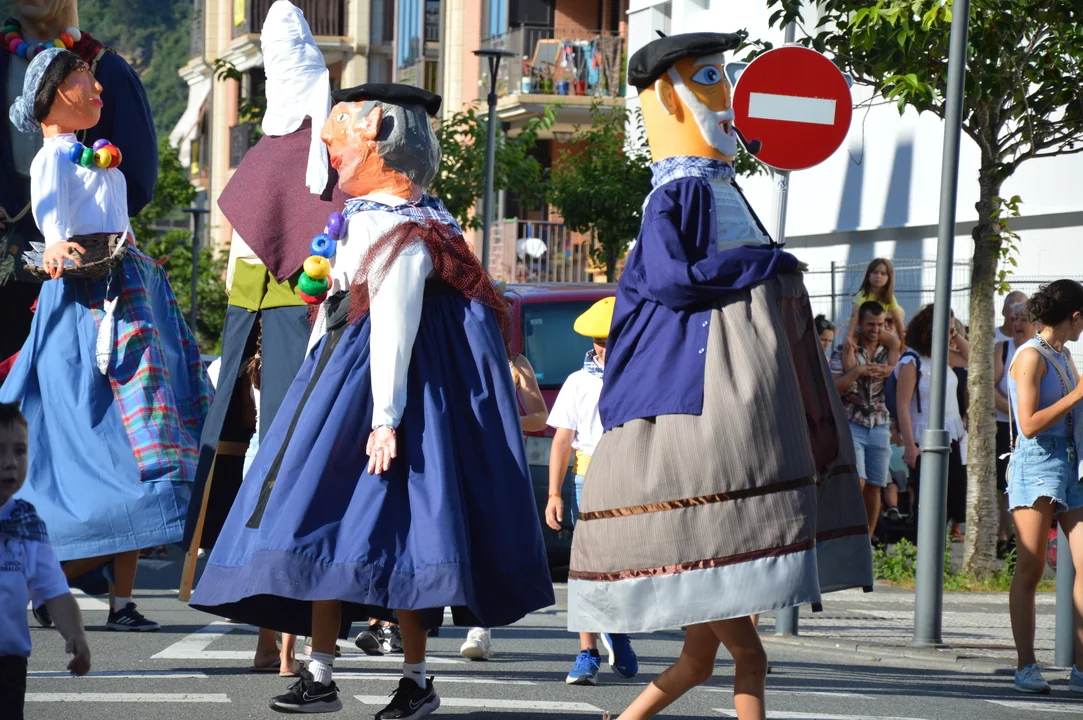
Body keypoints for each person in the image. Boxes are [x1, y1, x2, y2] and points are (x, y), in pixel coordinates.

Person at [189, 82, 554, 718]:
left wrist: (384, 418)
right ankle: (340, 675)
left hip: (375, 393)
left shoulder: (394, 223)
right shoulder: (426, 218)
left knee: (360, 527)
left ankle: (392, 679)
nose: (328, 145)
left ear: (380, 137)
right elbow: (345, 303)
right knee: (350, 530)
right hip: (379, 388)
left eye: (341, 133)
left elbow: (393, 321)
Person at [567, 33, 872, 720]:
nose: (727, 95)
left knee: (700, 660)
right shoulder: (677, 193)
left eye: (725, 76)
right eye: (709, 78)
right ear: (668, 97)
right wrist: (763, 264)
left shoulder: (715, 189)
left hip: (723, 426)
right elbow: (670, 279)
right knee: (745, 657)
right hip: (696, 413)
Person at [0, 48, 211, 632]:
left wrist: (136, 260)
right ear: (52, 98)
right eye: (82, 80)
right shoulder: (55, 156)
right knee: (94, 436)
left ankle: (120, 600)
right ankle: (50, 584)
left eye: (93, 79)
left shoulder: (94, 157)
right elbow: (51, 222)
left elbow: (118, 226)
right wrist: (55, 244)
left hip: (127, 292)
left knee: (131, 443)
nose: (96, 89)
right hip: (85, 306)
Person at [1, 0, 158, 363]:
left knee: (80, 359)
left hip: (86, 263)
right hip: (21, 258)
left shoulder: (110, 69)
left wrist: (110, 234)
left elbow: (137, 176)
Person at [542, 297, 638, 685]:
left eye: (612, 339)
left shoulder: (643, 374)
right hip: (590, 477)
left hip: (634, 477)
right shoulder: (578, 382)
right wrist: (554, 494)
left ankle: (617, 630)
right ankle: (587, 651)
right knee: (586, 566)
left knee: (624, 565)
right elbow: (562, 440)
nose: (604, 348)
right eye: (599, 341)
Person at [1005, 280, 1083, 695]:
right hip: (1036, 463)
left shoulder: (1063, 354)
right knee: (1031, 568)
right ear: (1074, 317)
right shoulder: (1030, 356)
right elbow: (1029, 424)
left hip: (1072, 461)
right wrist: (1078, 394)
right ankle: (1025, 665)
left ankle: (1081, 668)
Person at [460, 324, 548, 661]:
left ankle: (480, 627)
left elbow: (539, 417)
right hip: (460, 454)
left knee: (491, 538)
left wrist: (508, 421)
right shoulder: (453, 350)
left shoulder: (516, 362)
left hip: (502, 460)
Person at [0, 402, 91, 720]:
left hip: (8, 663)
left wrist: (75, 633)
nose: (10, 463)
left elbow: (54, 590)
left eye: (20, 451)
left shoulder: (27, 524)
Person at [893, 305, 968, 538]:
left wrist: (954, 333)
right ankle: (923, 545)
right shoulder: (911, 361)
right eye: (944, 329)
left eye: (951, 330)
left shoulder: (942, 356)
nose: (949, 335)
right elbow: (902, 406)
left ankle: (939, 546)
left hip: (950, 436)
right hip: (922, 439)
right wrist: (909, 446)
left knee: (953, 494)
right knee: (928, 497)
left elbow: (971, 357)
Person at [830, 302, 901, 536]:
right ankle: (847, 534)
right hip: (852, 422)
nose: (876, 329)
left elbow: (904, 371)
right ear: (860, 323)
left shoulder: (890, 349)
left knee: (875, 485)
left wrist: (891, 370)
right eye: (871, 324)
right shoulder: (844, 350)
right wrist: (857, 372)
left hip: (880, 423)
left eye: (880, 324)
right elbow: (834, 388)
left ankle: (867, 540)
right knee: (857, 481)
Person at [994, 301, 1032, 558]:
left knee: (1025, 484)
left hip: (1033, 429)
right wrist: (1017, 412)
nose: (1016, 324)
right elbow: (989, 388)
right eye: (1014, 318)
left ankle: (1020, 538)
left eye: (1022, 319)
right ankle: (1005, 537)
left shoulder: (1043, 351)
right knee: (1006, 484)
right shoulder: (1003, 348)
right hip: (1005, 425)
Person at [844, 259, 905, 348]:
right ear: (868, 275)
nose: (878, 276)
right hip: (857, 328)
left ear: (889, 278)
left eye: (883, 273)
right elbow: (854, 316)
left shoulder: (890, 298)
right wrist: (849, 335)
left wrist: (903, 341)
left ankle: (892, 358)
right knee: (849, 345)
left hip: (876, 329)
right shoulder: (863, 294)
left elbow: (897, 320)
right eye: (875, 272)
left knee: (896, 344)